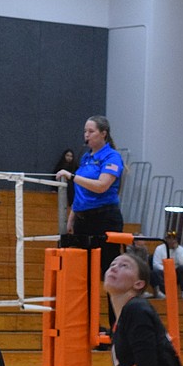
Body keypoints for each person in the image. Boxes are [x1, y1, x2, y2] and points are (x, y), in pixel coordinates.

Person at [55, 116, 125, 325]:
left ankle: (117, 327)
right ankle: (87, 325)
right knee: (83, 276)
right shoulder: (85, 158)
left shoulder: (112, 157)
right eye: (85, 131)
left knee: (110, 275)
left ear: (103, 133)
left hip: (106, 219)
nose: (86, 135)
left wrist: (72, 176)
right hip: (83, 221)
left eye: (91, 131)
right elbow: (81, 193)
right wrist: (72, 216)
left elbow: (102, 186)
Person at [150, 231, 183, 300]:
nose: (171, 240)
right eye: (169, 238)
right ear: (166, 239)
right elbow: (156, 264)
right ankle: (164, 293)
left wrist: (177, 250)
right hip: (163, 272)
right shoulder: (159, 249)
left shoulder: (181, 250)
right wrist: (167, 270)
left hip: (175, 273)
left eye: (174, 239)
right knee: (155, 272)